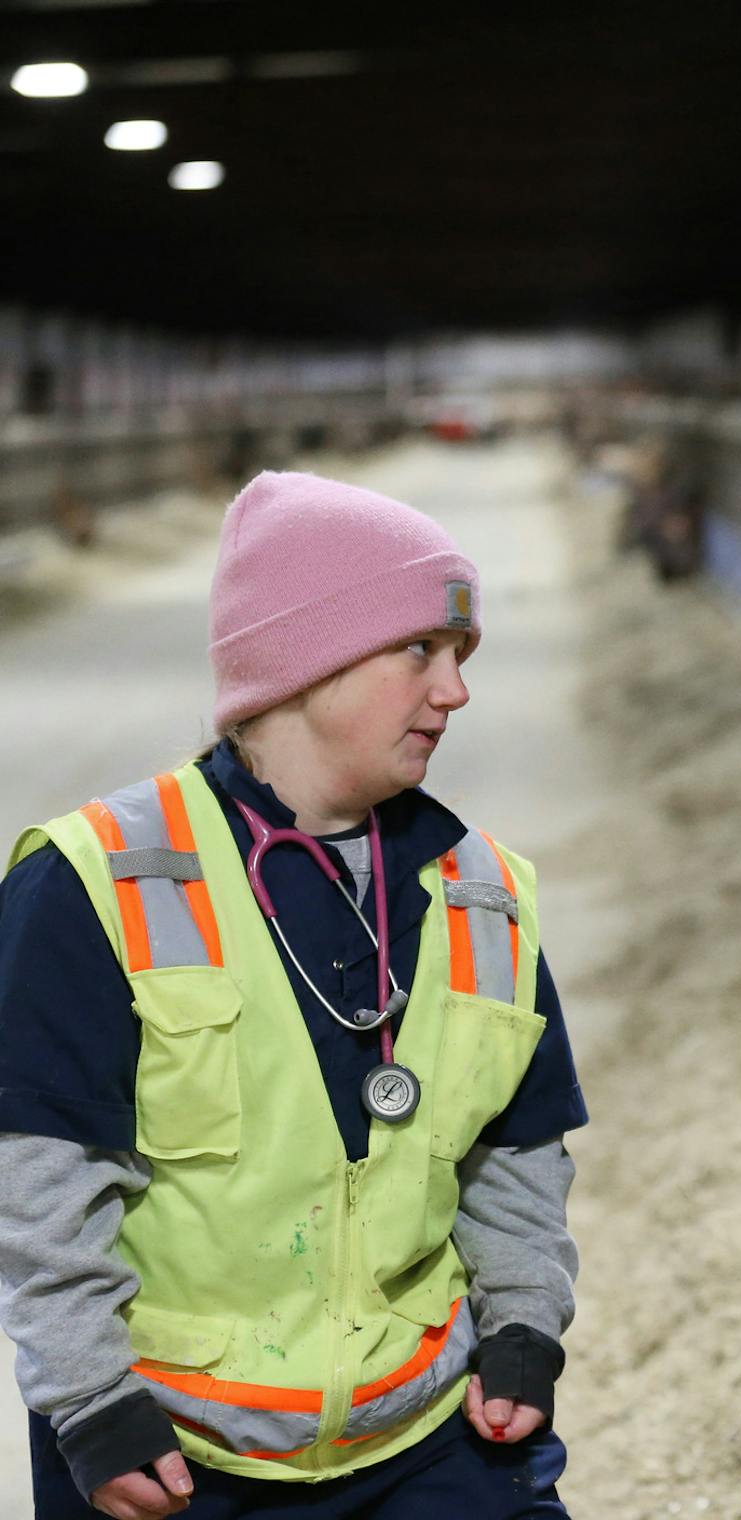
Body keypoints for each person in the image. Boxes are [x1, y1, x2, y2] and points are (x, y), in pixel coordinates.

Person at [0, 472, 587, 1518]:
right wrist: (91, 1403)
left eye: (460, 656)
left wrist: (523, 1324)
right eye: (421, 649)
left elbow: (515, 1148)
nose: (454, 689)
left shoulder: (481, 892)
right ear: (305, 659)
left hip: (426, 1435)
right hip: (172, 1459)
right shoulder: (91, 885)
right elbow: (40, 1182)